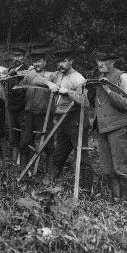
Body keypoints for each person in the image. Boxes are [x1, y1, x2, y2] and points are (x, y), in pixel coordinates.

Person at [31, 49, 93, 191]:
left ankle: (86, 189)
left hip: (76, 119)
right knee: (59, 152)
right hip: (61, 119)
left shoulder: (78, 78)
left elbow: (85, 101)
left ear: (71, 61)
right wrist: (48, 83)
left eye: (64, 61)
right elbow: (35, 78)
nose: (61, 64)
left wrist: (69, 92)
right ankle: (50, 182)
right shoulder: (57, 75)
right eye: (59, 61)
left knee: (80, 154)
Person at [89, 51, 127, 203]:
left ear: (113, 61)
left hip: (118, 127)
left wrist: (108, 89)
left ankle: (126, 201)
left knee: (120, 167)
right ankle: (115, 199)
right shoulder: (98, 79)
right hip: (101, 128)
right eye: (98, 61)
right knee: (107, 169)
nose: (100, 64)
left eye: (104, 61)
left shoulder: (122, 77)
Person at [19, 49, 55, 169]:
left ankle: (49, 174)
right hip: (29, 114)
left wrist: (32, 74)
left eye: (39, 61)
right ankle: (24, 171)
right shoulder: (29, 75)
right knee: (24, 142)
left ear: (45, 62)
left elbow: (41, 80)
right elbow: (20, 89)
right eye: (34, 61)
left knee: (48, 145)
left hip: (44, 114)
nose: (36, 64)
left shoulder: (51, 75)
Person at [6, 47, 27, 161]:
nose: (17, 59)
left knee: (24, 135)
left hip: (23, 107)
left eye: (19, 56)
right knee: (13, 135)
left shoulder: (28, 69)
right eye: (15, 56)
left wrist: (17, 73)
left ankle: (23, 163)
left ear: (23, 57)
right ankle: (14, 164)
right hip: (11, 107)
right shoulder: (9, 70)